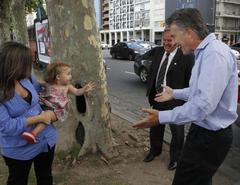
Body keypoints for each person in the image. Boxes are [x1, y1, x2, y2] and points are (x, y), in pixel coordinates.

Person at [133, 8, 238, 185]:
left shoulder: (214, 54)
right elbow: (199, 92)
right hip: (204, 133)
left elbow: (202, 106)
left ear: (189, 32)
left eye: (174, 36)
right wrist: (174, 93)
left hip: (210, 137)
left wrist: (161, 118)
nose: (173, 42)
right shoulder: (205, 52)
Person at [0, 41, 57, 185]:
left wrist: (54, 85)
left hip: (45, 140)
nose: (31, 63)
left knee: (45, 177)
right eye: (27, 62)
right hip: (19, 149)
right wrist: (39, 117)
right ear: (14, 65)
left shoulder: (26, 77)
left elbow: (37, 90)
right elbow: (7, 126)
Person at [143, 28, 194, 172]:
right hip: (158, 98)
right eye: (164, 40)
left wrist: (183, 100)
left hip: (175, 101)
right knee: (155, 127)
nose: (165, 43)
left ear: (177, 40)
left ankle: (175, 159)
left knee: (177, 133)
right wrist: (151, 91)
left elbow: (190, 82)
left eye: (169, 41)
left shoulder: (187, 56)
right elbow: (153, 71)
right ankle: (155, 151)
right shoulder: (158, 52)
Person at [22, 61, 96, 144]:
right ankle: (26, 126)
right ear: (58, 77)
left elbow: (77, 92)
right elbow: (36, 82)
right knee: (38, 113)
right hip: (44, 104)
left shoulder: (68, 87)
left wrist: (84, 89)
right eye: (68, 74)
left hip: (56, 110)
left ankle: (33, 134)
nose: (70, 76)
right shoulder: (49, 84)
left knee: (46, 117)